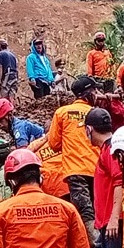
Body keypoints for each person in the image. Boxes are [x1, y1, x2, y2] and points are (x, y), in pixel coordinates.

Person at [42, 76, 101, 235]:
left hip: (75, 170)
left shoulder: (62, 112)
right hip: (97, 169)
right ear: (88, 93)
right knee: (98, 207)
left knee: (84, 209)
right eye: (95, 90)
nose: (97, 93)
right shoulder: (97, 113)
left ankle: (93, 244)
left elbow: (54, 144)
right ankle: (100, 244)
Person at [88, 108, 124, 248]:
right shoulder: (106, 150)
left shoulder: (110, 151)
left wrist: (113, 217)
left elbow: (118, 182)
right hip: (105, 223)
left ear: (89, 129)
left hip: (112, 224)